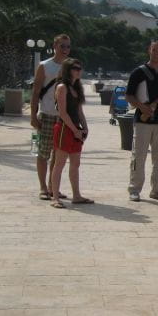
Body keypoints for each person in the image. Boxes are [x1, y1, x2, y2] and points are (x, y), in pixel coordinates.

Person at [125, 40, 158, 202]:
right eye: (154, 50)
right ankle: (134, 189)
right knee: (139, 156)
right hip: (142, 121)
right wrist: (143, 107)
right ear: (149, 51)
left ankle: (157, 189)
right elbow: (129, 96)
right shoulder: (138, 72)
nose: (157, 53)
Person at [30, 34, 71, 200]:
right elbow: (35, 92)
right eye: (62, 46)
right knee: (44, 153)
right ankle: (43, 187)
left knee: (59, 155)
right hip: (47, 114)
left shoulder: (70, 66)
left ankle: (53, 187)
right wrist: (33, 115)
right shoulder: (44, 66)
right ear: (55, 46)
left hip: (64, 117)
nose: (65, 50)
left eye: (68, 47)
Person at [49, 58, 93, 208]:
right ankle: (55, 197)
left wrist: (84, 128)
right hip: (64, 128)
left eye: (80, 68)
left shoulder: (77, 87)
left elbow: (79, 110)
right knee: (59, 163)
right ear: (68, 70)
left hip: (76, 129)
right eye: (75, 68)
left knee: (75, 163)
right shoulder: (62, 87)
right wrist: (74, 130)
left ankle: (77, 195)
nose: (78, 70)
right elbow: (62, 112)